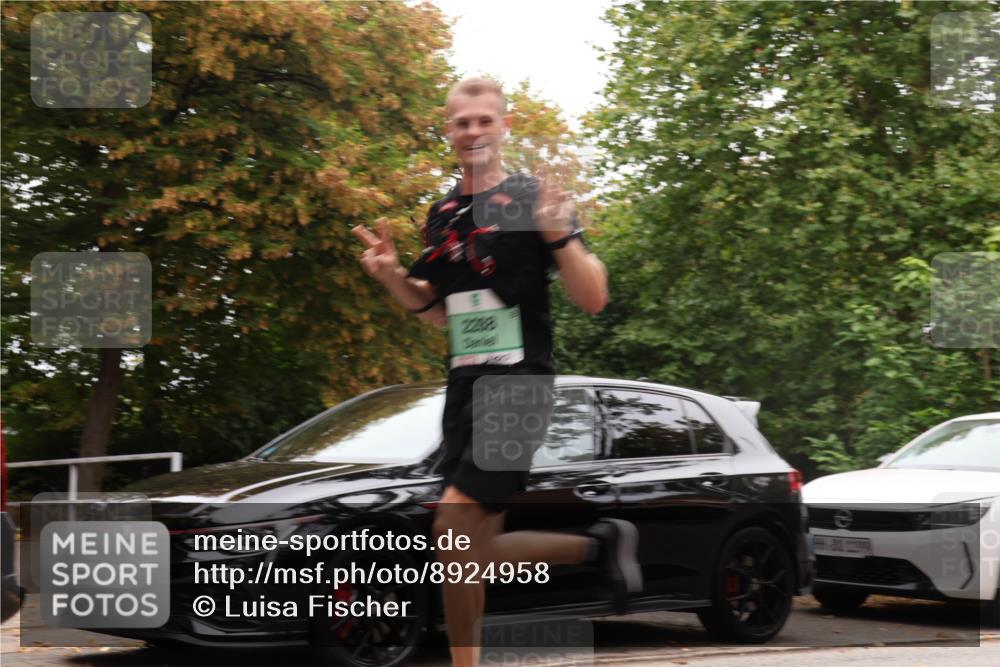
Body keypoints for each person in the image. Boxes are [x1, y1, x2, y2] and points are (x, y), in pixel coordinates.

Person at [353, 77, 641, 667]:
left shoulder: (533, 197)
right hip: (464, 388)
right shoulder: (443, 213)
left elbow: (594, 297)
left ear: (504, 126)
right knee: (468, 548)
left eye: (485, 120)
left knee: (453, 521)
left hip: (521, 385)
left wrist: (558, 233)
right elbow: (434, 311)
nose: (473, 131)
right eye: (462, 122)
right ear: (448, 131)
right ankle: (597, 547)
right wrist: (389, 275)